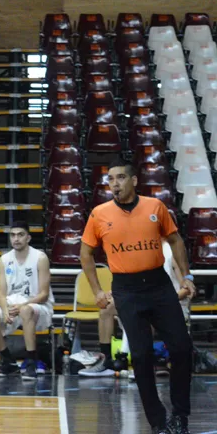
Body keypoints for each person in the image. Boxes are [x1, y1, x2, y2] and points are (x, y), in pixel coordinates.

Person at [81, 159, 194, 434]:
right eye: (110, 179)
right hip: (126, 289)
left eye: (120, 177)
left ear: (134, 181)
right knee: (141, 356)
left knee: (182, 349)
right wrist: (97, 290)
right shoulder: (99, 213)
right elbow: (86, 253)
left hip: (158, 285)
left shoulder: (155, 207)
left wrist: (186, 277)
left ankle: (180, 416)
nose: (114, 184)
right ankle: (157, 421)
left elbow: (176, 240)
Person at [0, 220, 54, 380]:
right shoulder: (4, 260)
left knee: (26, 310)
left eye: (20, 235)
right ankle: (8, 361)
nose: (16, 239)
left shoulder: (40, 258)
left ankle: (31, 362)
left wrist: (23, 305)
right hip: (12, 304)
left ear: (28, 238)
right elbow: (1, 294)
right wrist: (5, 311)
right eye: (13, 235)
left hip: (37, 305)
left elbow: (44, 294)